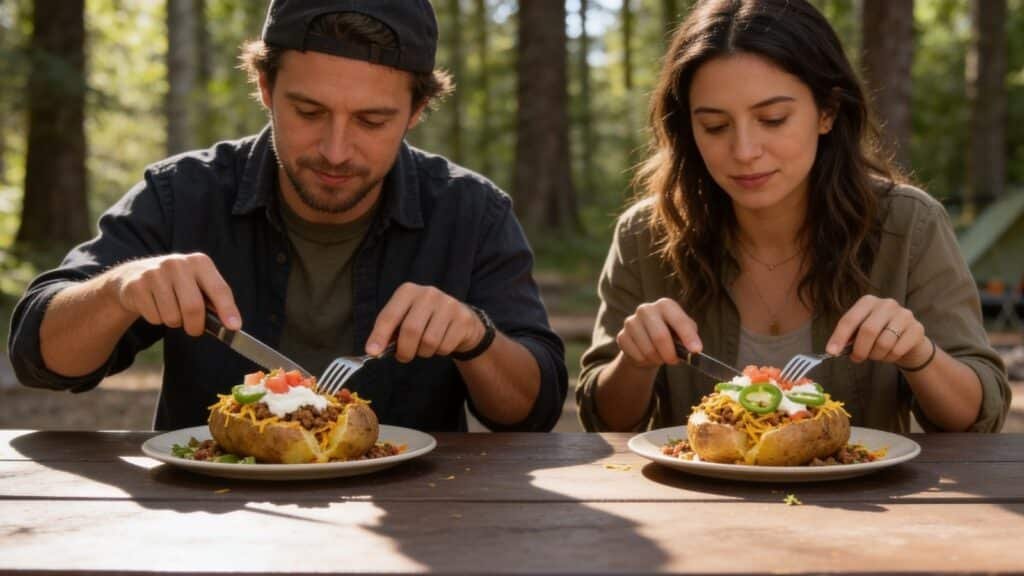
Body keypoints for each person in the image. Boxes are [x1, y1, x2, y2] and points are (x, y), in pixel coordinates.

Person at [8, 0, 567, 432]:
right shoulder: (185, 193)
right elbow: (41, 358)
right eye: (308, 111)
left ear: (417, 111)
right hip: (218, 523)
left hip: (425, 520)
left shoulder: (471, 211)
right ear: (265, 86)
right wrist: (120, 288)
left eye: (372, 121)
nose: (336, 150)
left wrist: (476, 336)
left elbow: (532, 409)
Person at [577, 0, 1009, 433]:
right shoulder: (644, 235)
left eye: (773, 119)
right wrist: (633, 362)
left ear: (827, 112)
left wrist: (921, 356)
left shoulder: (910, 226)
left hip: (872, 500)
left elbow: (980, 415)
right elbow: (603, 419)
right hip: (694, 502)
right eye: (714, 126)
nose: (745, 151)